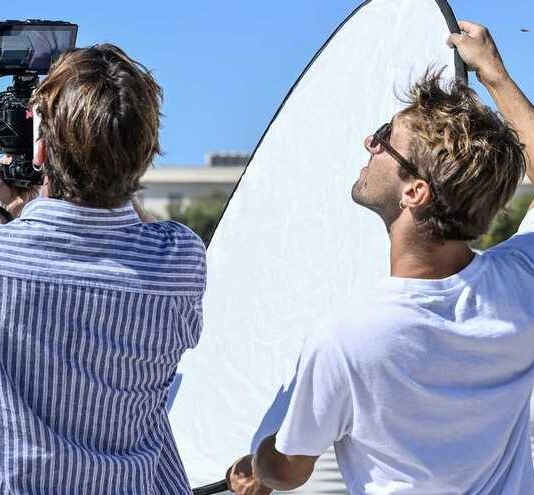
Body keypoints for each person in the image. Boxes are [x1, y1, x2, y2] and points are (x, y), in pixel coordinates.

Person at [225, 21, 534, 495]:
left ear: (415, 191)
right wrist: (495, 75)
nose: (370, 144)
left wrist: (257, 464)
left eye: (385, 137)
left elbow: (289, 469)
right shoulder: (519, 287)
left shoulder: (350, 336)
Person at [0, 44, 207, 494]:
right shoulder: (180, 258)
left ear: (40, 150)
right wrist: (115, 159)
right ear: (145, 156)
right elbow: (138, 223)